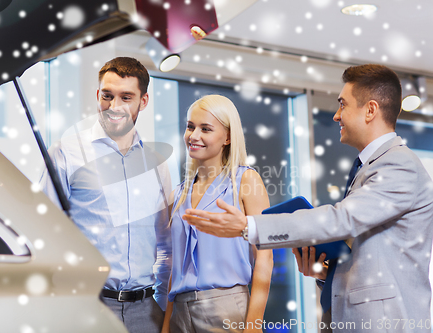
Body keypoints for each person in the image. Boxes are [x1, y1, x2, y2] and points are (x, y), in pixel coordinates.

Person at [181, 64, 433, 332]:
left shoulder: (399, 165)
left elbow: (342, 219)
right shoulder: (368, 167)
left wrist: (249, 226)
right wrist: (328, 274)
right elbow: (370, 254)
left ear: (370, 110)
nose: (336, 116)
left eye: (342, 105)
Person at [40, 57, 172, 332]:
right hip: (87, 309)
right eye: (107, 96)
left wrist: (160, 304)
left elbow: (166, 244)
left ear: (143, 101)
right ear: (97, 95)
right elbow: (44, 231)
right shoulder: (66, 152)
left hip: (147, 312)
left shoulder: (157, 164)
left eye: (126, 97)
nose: (114, 107)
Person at [161, 95, 273, 333]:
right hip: (180, 311)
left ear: (228, 137)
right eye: (190, 127)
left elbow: (265, 257)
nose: (193, 136)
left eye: (206, 129)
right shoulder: (178, 194)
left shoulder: (246, 180)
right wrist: (166, 325)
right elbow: (175, 268)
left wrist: (254, 324)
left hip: (226, 307)